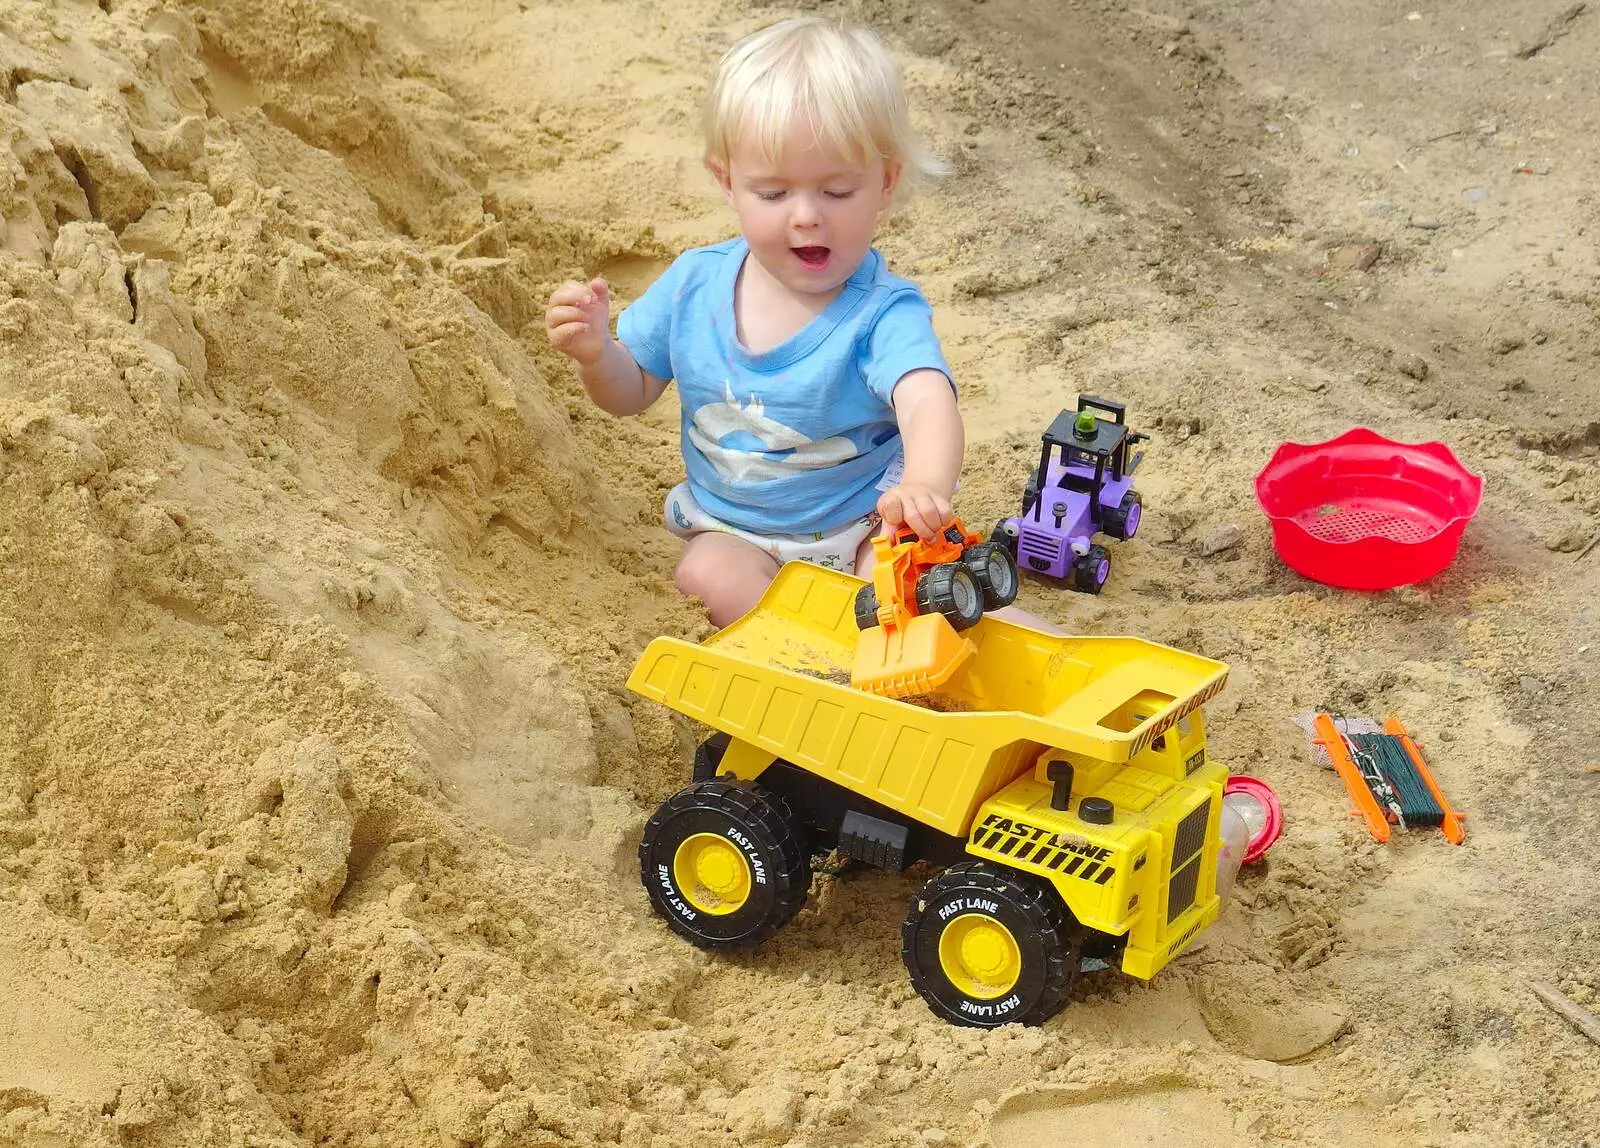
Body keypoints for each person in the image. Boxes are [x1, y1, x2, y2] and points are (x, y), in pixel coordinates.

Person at [544, 17, 968, 628]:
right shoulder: (695, 284)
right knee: (703, 578)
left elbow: (927, 402)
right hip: (736, 528)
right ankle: (809, 665)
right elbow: (630, 391)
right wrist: (596, 353)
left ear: (886, 182)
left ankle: (871, 663)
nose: (805, 217)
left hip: (861, 526)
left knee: (911, 588)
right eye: (772, 194)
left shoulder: (882, 311)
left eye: (838, 191)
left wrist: (925, 485)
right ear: (728, 184)